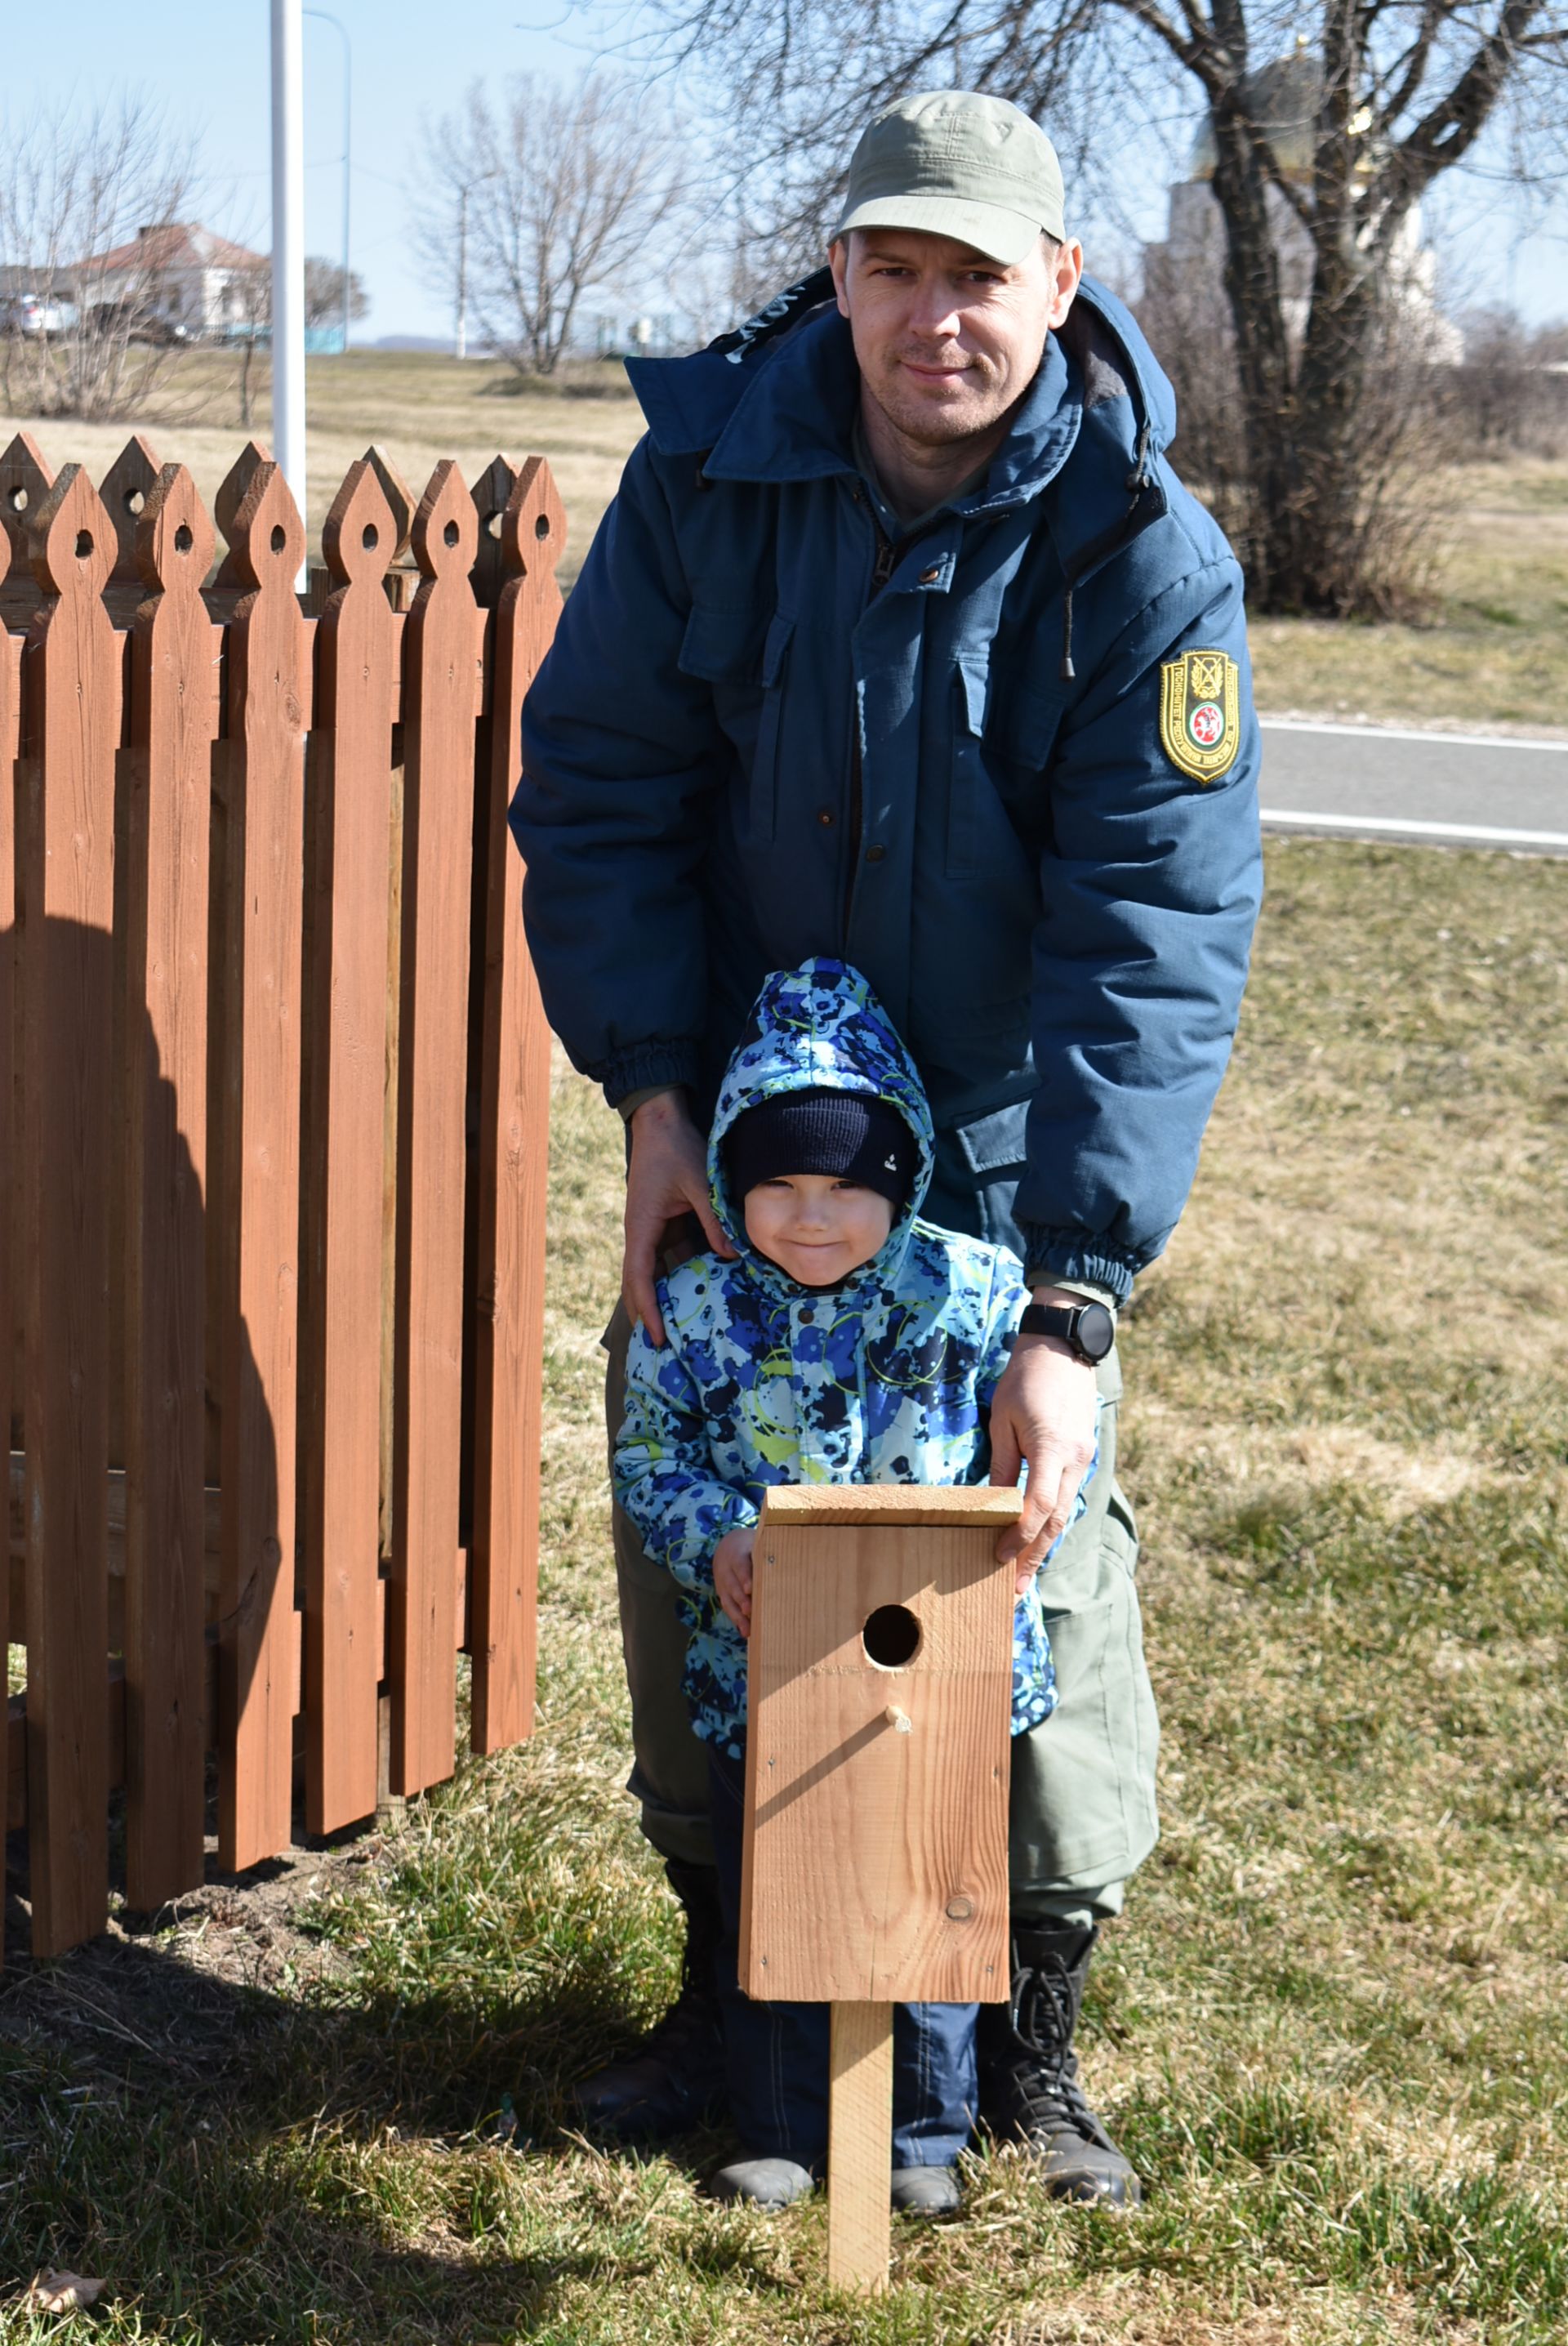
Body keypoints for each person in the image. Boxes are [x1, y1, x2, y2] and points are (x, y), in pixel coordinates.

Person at [511, 87, 1263, 2209]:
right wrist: (657, 1098)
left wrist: (1074, 1293)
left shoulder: (1141, 557)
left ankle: (1026, 2042)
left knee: (1031, 1572)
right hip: (758, 1155)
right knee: (720, 1561)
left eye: (980, 275)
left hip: (1006, 1173)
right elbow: (602, 793)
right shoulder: (708, 486)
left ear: (1064, 282)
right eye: (896, 268)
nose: (938, 319)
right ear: (837, 269)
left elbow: (1157, 936)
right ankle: (727, 1990)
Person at [614, 957, 1096, 2214]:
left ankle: (919, 2138)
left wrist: (1020, 1526)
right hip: (759, 1675)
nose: (811, 1218)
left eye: (845, 1190)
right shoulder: (696, 1307)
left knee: (924, 1890)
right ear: (728, 1178)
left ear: (905, 1181)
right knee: (785, 1891)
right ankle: (779, 2122)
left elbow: (1050, 1469)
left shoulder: (974, 1298)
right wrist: (717, 1535)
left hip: (944, 1677)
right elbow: (651, 1461)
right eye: (777, 1185)